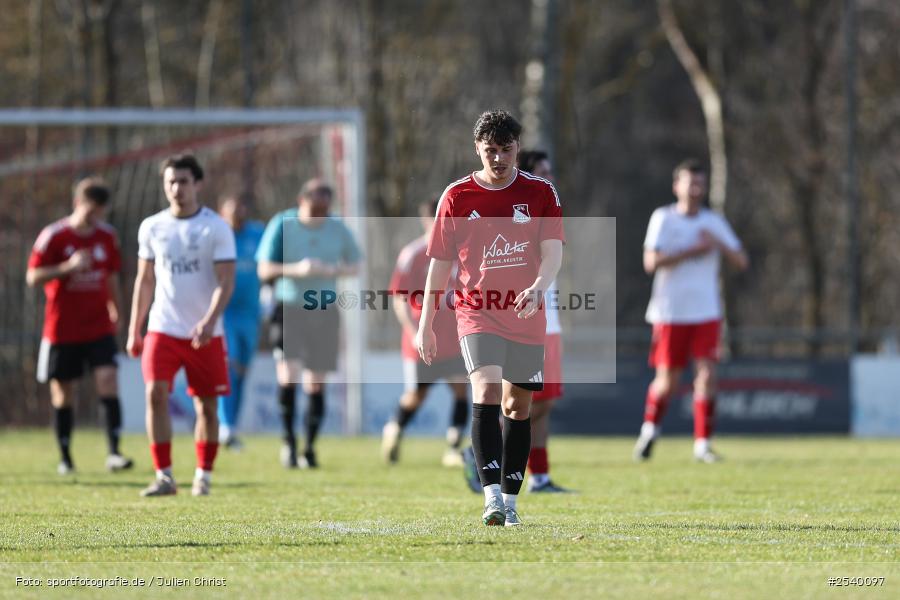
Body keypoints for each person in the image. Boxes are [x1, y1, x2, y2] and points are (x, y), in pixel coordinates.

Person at [417, 110, 564, 527]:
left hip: (526, 312)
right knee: (485, 390)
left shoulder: (541, 193)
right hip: (476, 312)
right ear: (477, 149)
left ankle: (512, 501)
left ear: (517, 147)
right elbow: (439, 264)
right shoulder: (458, 196)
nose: (498, 158)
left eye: (506, 150)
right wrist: (427, 321)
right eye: (490, 150)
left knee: (518, 407)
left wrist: (539, 285)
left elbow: (554, 250)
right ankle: (492, 497)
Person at [127, 154, 236, 497]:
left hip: (206, 333)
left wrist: (209, 321)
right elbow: (144, 281)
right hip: (163, 327)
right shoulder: (152, 227)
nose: (177, 188)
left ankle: (203, 474)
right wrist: (135, 328)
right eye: (170, 182)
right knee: (154, 393)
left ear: (198, 184)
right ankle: (165, 476)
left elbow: (226, 280)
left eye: (183, 181)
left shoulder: (215, 227)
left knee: (205, 405)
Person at [633, 159, 748, 463]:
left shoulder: (713, 221)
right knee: (667, 381)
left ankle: (702, 445)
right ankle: (649, 431)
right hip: (670, 312)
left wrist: (721, 246)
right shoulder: (664, 218)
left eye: (700, 183)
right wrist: (690, 251)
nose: (696, 188)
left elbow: (741, 260)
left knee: (707, 375)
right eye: (690, 182)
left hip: (707, 311)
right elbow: (650, 262)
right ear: (677, 186)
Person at [27, 177, 133, 475]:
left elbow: (112, 275)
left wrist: (117, 310)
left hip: (98, 325)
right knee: (63, 392)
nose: (95, 218)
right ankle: (66, 458)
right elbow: (32, 276)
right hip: (62, 328)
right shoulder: (54, 236)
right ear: (78, 203)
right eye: (91, 211)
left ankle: (114, 453)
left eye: (100, 212)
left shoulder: (107, 236)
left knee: (108, 380)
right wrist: (67, 268)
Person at [256, 179, 361, 469]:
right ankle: (288, 442)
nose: (321, 214)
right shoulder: (282, 223)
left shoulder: (337, 226)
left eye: (325, 208)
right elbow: (264, 269)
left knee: (316, 382)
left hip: (324, 309)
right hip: (289, 307)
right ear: (301, 200)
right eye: (316, 207)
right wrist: (296, 269)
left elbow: (355, 264)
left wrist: (333, 269)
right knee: (288, 374)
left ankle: (309, 447)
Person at [381, 198, 469, 467]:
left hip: (453, 338)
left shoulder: (461, 251)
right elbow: (398, 298)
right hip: (422, 338)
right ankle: (394, 428)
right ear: (427, 220)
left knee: (461, 388)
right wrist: (413, 331)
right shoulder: (414, 254)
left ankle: (453, 448)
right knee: (417, 395)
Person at [516, 150, 571, 493]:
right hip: (526, 322)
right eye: (543, 172)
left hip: (550, 322)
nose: (550, 178)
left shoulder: (548, 210)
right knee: (525, 402)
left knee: (545, 402)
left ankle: (540, 476)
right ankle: (485, 456)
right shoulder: (520, 214)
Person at [217, 195, 265, 451]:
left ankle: (231, 426)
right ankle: (224, 426)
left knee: (243, 373)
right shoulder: (217, 237)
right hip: (226, 313)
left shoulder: (258, 233)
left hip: (251, 314)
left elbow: (271, 259)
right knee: (228, 367)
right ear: (222, 212)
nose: (238, 215)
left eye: (241, 208)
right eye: (232, 210)